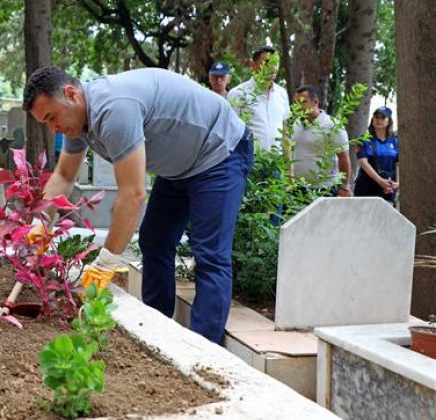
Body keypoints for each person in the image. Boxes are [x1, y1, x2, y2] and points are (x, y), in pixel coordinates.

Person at [23, 66, 253, 344]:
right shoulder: (78, 121)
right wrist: (39, 223)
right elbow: (64, 175)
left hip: (219, 152)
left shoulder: (114, 110)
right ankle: (156, 328)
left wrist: (106, 262)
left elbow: (132, 194)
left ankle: (202, 351)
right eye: (45, 123)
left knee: (210, 254)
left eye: (52, 117)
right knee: (155, 240)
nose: (53, 128)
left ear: (71, 94)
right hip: (180, 168)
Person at [291, 85, 352, 196]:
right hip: (298, 189)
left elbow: (343, 157)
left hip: (324, 188)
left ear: (315, 102)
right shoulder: (295, 124)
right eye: (296, 103)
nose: (298, 107)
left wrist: (345, 187)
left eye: (303, 102)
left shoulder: (332, 125)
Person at [227, 46, 290, 153]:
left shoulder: (282, 93)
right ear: (253, 65)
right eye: (267, 62)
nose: (273, 67)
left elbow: (285, 132)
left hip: (276, 164)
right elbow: (229, 133)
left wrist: (289, 167)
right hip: (249, 163)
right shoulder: (238, 93)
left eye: (276, 63)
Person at [354, 106, 399, 203]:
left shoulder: (395, 141)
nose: (379, 120)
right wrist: (380, 181)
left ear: (389, 121)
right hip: (366, 187)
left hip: (388, 188)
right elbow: (363, 163)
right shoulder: (364, 139)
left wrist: (397, 183)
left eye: (382, 118)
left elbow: (398, 163)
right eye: (376, 117)